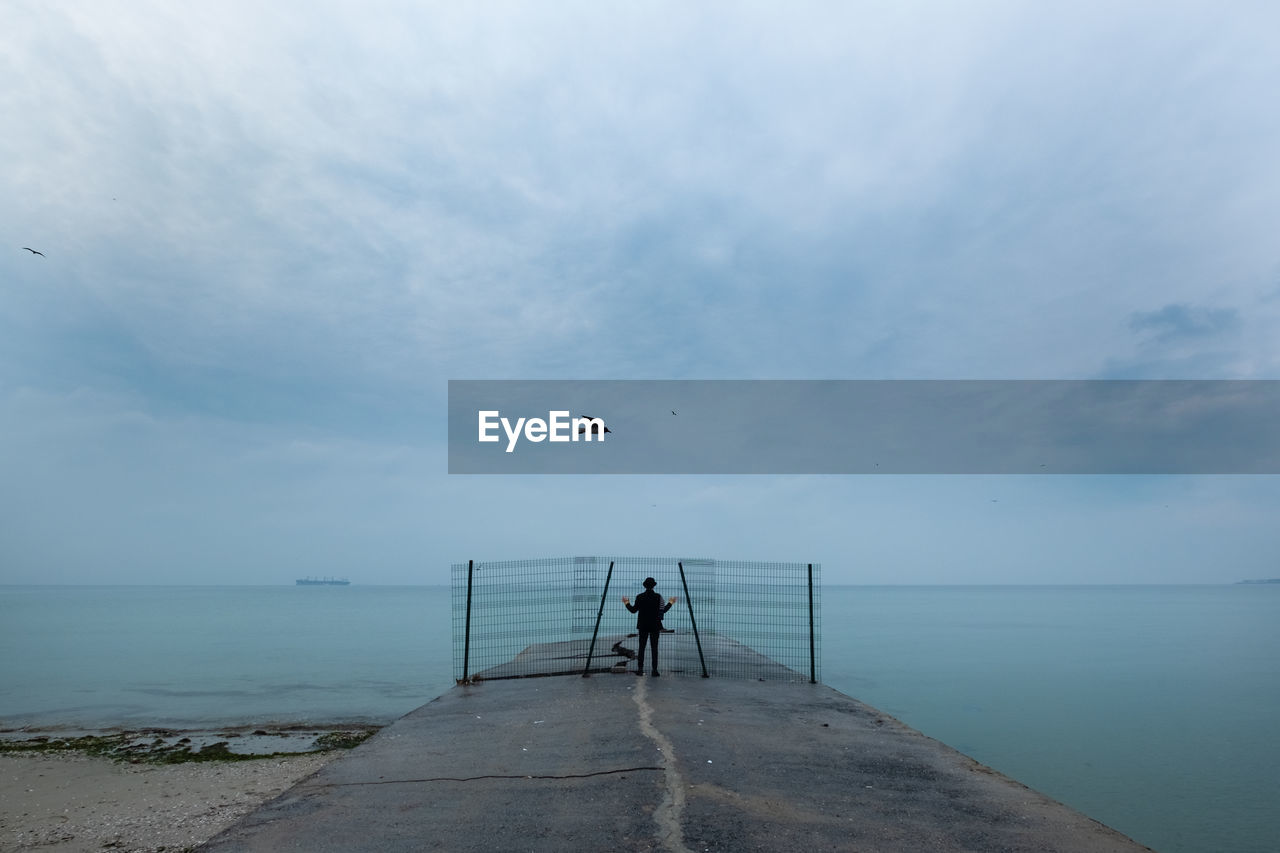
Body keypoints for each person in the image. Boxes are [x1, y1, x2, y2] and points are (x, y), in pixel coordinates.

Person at [622, 577, 676, 676]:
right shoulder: (658, 597)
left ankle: (640, 669)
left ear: (644, 586)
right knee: (654, 648)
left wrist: (626, 603)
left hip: (643, 626)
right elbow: (663, 610)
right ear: (654, 586)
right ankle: (654, 670)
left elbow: (633, 610)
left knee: (641, 648)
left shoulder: (639, 597)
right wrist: (671, 602)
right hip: (655, 626)